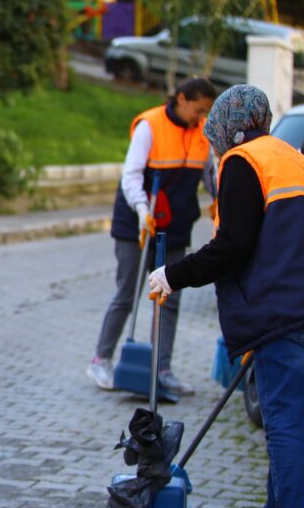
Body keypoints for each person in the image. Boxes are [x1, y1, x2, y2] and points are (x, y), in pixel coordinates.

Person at [147, 85, 304, 508]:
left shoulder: (242, 162)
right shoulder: (296, 160)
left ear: (227, 128)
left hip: (289, 310)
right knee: (294, 420)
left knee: (283, 423)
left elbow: (233, 244)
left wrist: (173, 274)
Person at [86, 77, 218, 397]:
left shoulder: (202, 133)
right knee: (128, 292)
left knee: (168, 296)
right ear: (181, 99)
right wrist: (142, 210)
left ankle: (162, 369)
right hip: (138, 221)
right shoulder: (150, 125)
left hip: (175, 224)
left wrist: (220, 199)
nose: (201, 116)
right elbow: (131, 175)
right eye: (198, 109)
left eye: (206, 112)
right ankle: (101, 360)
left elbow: (209, 175)